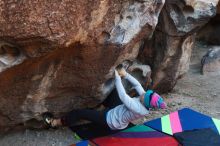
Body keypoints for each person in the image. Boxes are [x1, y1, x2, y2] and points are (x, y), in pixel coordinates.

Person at [43, 67, 166, 130]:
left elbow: (124, 96)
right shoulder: (146, 101)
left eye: (145, 94)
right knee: (113, 93)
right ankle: (100, 108)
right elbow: (137, 85)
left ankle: (56, 123)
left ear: (145, 101)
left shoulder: (139, 108)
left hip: (110, 121)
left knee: (78, 113)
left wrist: (117, 77)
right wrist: (126, 74)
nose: (143, 93)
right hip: (116, 110)